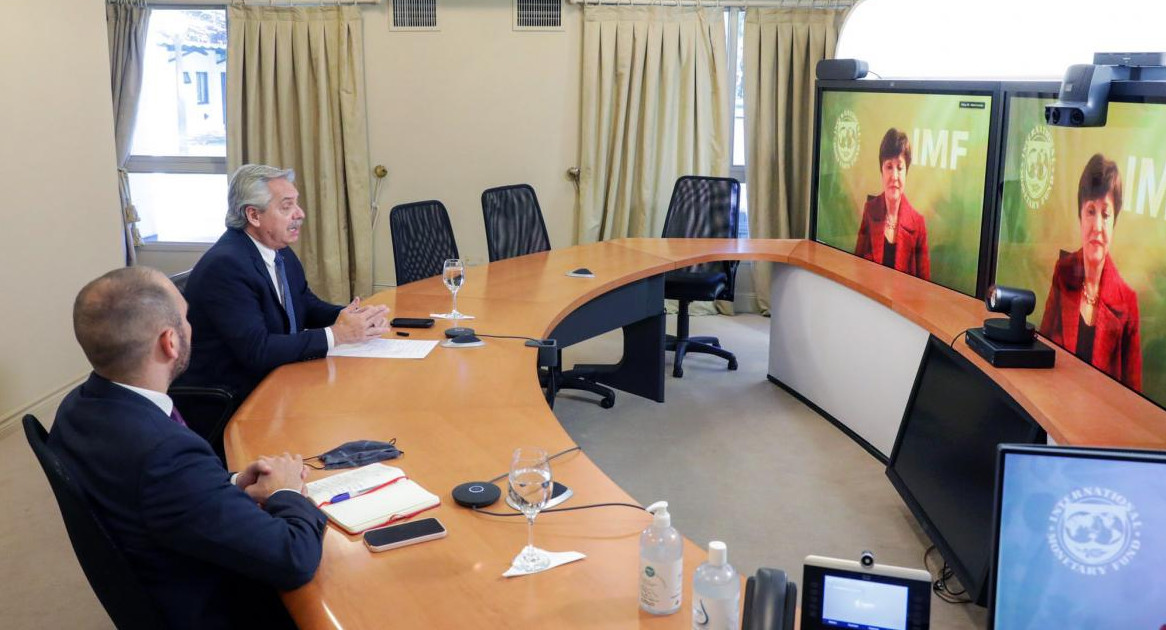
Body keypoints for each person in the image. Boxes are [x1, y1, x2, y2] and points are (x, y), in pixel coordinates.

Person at [49, 267, 327, 629]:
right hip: (216, 606)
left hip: (161, 565)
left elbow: (164, 496)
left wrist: (232, 484)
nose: (192, 325)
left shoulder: (74, 408)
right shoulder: (165, 454)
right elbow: (293, 558)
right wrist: (288, 490)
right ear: (170, 341)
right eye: (186, 317)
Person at [179, 164, 388, 399]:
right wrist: (338, 334)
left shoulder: (278, 250)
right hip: (235, 396)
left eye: (296, 204)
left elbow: (305, 304)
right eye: (287, 206)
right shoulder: (226, 266)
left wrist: (354, 318)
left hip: (278, 378)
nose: (300, 214)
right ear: (253, 215)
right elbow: (258, 350)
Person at [1039, 153, 1142, 391]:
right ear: (1080, 217)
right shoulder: (1063, 272)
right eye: (1090, 211)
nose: (1097, 226)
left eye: (1105, 214)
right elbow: (1041, 350)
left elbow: (1134, 397)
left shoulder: (1128, 303)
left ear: (1114, 221)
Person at [854, 128, 931, 280]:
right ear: (881, 171)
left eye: (900, 168)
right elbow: (857, 267)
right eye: (889, 166)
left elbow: (925, 287)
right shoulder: (870, 210)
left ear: (906, 172)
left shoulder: (918, 225)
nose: (894, 176)